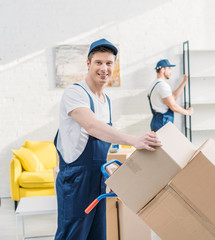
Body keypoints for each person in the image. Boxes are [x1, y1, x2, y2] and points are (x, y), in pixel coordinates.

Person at [54, 38, 161, 240]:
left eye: (109, 63)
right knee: (73, 236)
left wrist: (108, 166)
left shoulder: (105, 100)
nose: (104, 68)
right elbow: (92, 126)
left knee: (97, 235)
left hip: (98, 177)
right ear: (88, 64)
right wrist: (134, 140)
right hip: (76, 180)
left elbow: (103, 137)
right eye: (99, 62)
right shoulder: (75, 93)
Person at [148, 59, 194, 131]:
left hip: (157, 121)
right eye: (169, 68)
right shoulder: (162, 85)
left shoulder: (155, 84)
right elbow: (173, 106)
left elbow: (172, 98)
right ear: (162, 70)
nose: (171, 71)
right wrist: (187, 112)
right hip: (163, 122)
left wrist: (184, 82)